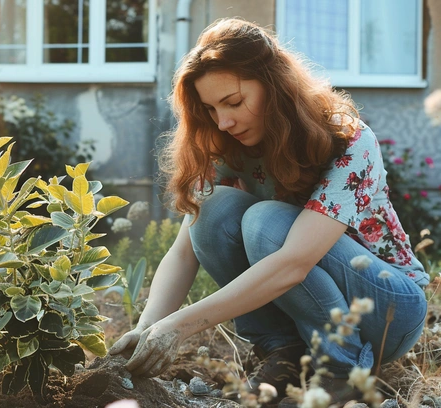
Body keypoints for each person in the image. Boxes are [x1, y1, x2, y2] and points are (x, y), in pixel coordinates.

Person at [109, 18, 428, 406]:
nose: (223, 122)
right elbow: (185, 249)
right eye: (211, 108)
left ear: (275, 86)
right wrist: (147, 330)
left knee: (264, 223)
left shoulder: (349, 140)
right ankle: (285, 353)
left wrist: (179, 327)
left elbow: (294, 262)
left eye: (234, 102)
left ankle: (339, 369)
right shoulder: (228, 143)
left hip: (387, 309)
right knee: (211, 211)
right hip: (313, 302)